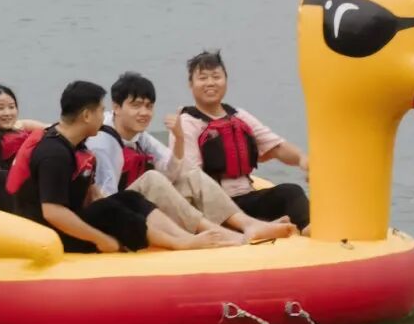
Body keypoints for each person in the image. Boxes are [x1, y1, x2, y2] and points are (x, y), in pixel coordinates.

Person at [0, 81, 242, 253]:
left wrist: (110, 201)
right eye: (101, 111)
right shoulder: (53, 153)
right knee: (111, 211)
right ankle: (181, 244)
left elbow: (89, 192)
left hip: (68, 222)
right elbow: (53, 212)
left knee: (128, 198)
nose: (105, 116)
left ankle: (184, 238)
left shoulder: (74, 143)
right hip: (50, 235)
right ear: (86, 115)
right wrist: (99, 238)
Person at [87, 72, 296, 242]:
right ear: (116, 107)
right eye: (136, 105)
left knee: (189, 173)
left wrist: (178, 138)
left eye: (149, 106)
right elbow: (106, 202)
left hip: (136, 206)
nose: (144, 112)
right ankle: (221, 234)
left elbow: (173, 171)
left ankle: (249, 224)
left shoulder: (138, 135)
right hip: (115, 217)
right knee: (152, 179)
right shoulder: (103, 143)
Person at [175, 50, 310, 231]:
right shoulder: (186, 123)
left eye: (216, 77)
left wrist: (302, 159)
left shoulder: (239, 116)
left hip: (247, 199)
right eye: (203, 78)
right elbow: (192, 179)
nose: (210, 83)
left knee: (291, 192)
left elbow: (277, 147)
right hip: (216, 206)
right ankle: (261, 227)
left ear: (225, 81)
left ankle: (307, 229)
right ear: (190, 84)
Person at [0, 83, 47, 168]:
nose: (7, 113)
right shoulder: (12, 140)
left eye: (11, 107)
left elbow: (24, 124)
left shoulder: (17, 127)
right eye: (0, 108)